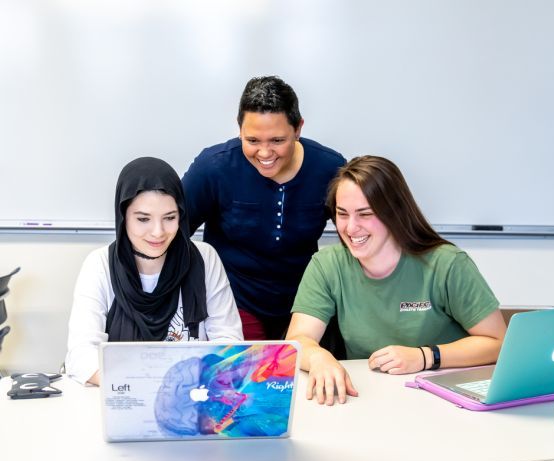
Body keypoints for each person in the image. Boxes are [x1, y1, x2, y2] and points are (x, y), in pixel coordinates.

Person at [286, 155, 507, 405]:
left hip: (445, 400)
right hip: (370, 398)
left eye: (365, 214)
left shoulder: (448, 264)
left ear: (394, 212)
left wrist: (425, 357)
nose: (350, 227)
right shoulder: (326, 264)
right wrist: (318, 358)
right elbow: (297, 341)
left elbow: (498, 343)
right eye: (342, 214)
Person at [182, 76, 346, 340]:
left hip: (304, 305)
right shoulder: (213, 167)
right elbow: (171, 231)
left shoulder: (330, 168)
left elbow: (358, 233)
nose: (265, 153)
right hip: (234, 305)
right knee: (244, 376)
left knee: (303, 374)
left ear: (298, 129)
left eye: (277, 140)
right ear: (239, 130)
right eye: (253, 141)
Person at [65, 157, 243, 386]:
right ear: (123, 218)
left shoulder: (204, 258)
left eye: (170, 218)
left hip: (189, 399)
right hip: (122, 397)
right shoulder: (99, 265)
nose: (158, 232)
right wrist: (140, 387)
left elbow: (229, 342)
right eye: (143, 219)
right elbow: (81, 355)